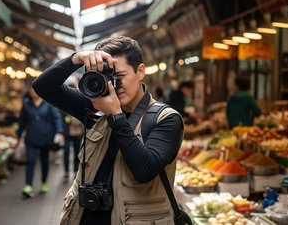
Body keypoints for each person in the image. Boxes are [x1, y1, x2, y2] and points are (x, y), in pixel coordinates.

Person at [33, 36, 184, 225]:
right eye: (108, 78)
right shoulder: (95, 107)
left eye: (119, 77)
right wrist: (77, 59)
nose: (113, 86)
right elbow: (42, 87)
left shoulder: (166, 118)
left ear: (140, 71)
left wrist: (115, 115)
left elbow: (145, 170)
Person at [16, 87, 64, 198]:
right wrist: (18, 135)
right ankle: (28, 186)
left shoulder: (48, 103)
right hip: (31, 137)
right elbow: (22, 120)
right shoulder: (27, 103)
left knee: (44, 161)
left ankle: (43, 182)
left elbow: (57, 118)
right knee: (30, 161)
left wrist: (59, 132)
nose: (33, 92)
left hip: (46, 137)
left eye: (36, 89)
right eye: (31, 90)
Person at [62, 111, 83, 183]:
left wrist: (71, 119)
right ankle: (66, 173)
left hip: (77, 134)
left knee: (76, 153)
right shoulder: (63, 107)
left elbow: (81, 121)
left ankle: (75, 171)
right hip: (66, 134)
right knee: (66, 152)